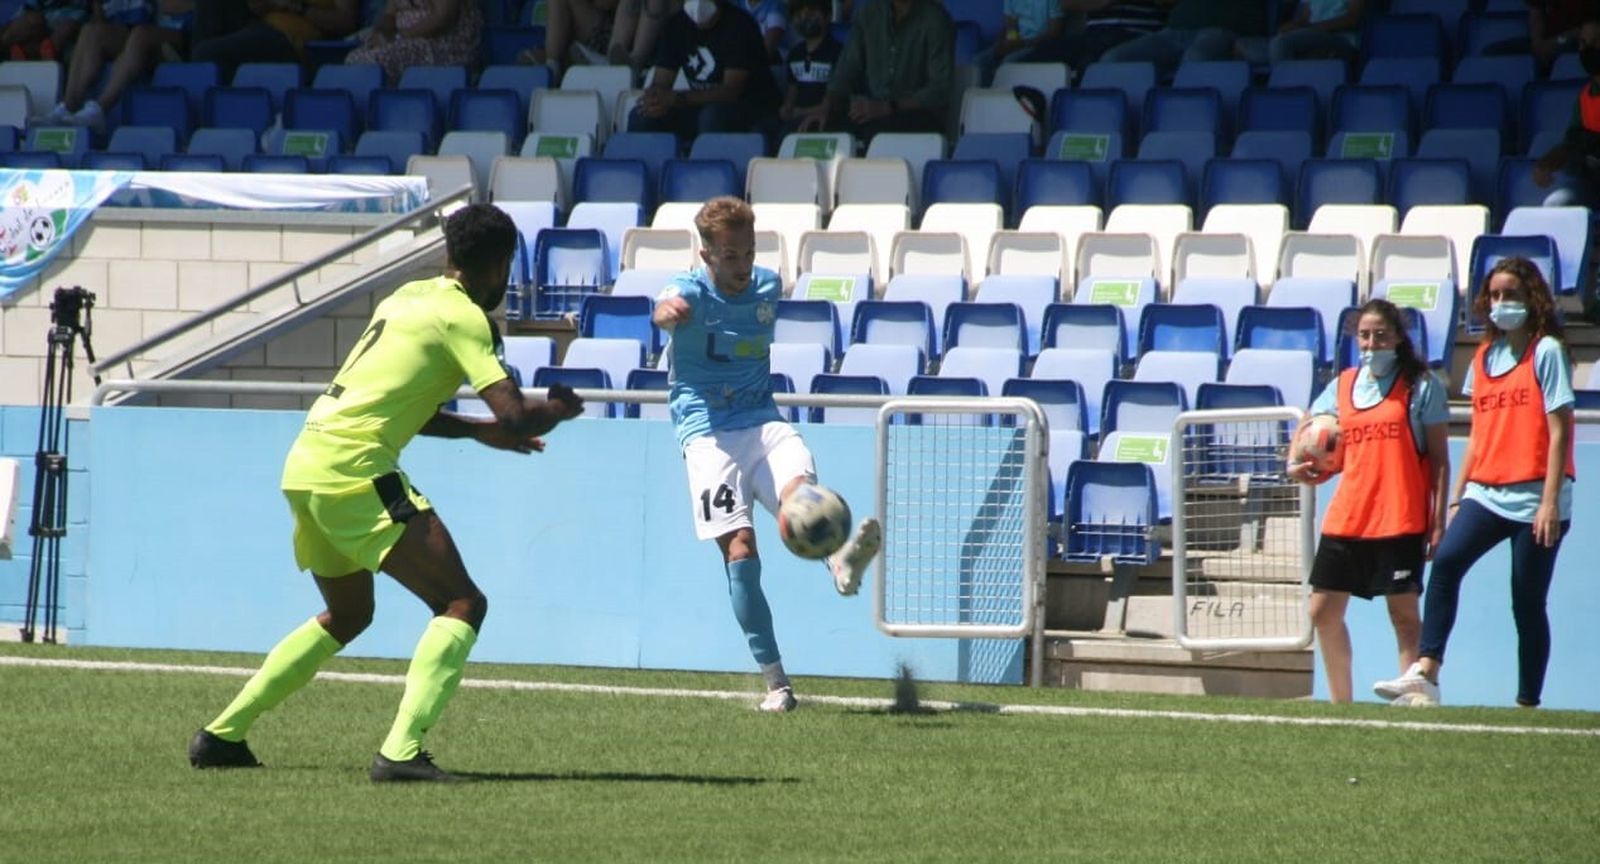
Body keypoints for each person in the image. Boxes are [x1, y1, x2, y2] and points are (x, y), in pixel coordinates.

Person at [187, 203, 587, 782]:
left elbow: (410, 410)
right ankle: (400, 754)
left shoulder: (405, 298)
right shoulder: (465, 318)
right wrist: (557, 409)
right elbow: (515, 415)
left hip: (306, 461)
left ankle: (222, 736)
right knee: (462, 603)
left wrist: (480, 436)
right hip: (354, 466)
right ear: (501, 265)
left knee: (348, 614)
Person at [651, 196, 883, 713]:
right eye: (730, 255)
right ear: (706, 253)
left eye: (748, 253)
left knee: (800, 498)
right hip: (708, 435)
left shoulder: (767, 287)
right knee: (740, 553)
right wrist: (667, 314)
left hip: (763, 423)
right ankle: (778, 683)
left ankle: (840, 560)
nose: (742, 266)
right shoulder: (687, 288)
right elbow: (664, 305)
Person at [1375, 258, 1577, 708]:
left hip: (1536, 497)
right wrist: (1458, 496)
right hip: (1486, 492)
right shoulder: (1485, 357)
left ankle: (1528, 703)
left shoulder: (1545, 352)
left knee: (1527, 602)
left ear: (1533, 300)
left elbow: (1560, 429)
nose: (1503, 304)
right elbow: (1480, 433)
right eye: (1496, 296)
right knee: (1445, 564)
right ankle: (1426, 671)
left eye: (1512, 295)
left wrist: (1549, 503)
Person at [1287, 299, 1450, 705]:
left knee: (1404, 617)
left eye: (1381, 334)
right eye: (1364, 335)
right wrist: (1296, 463)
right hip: (1349, 516)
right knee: (1322, 613)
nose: (1372, 343)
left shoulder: (1420, 386)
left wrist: (1438, 521)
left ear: (1398, 337)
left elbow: (1440, 460)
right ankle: (1341, 706)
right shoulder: (1342, 384)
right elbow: (1309, 425)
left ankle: (1413, 700)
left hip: (1400, 516)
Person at [627, 0, 781, 145]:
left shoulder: (740, 25)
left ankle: (711, 172)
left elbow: (730, 92)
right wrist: (655, 100)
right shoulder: (676, 25)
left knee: (712, 116)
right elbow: (661, 82)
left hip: (752, 108)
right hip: (698, 106)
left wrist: (676, 98)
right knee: (641, 116)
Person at [798, 0, 953, 141]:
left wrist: (889, 107)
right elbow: (846, 70)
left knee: (873, 134)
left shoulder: (935, 19)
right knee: (811, 129)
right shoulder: (868, 14)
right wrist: (825, 106)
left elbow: (939, 90)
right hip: (873, 111)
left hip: (918, 114)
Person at [37, 0, 192, 134]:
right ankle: (68, 107)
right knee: (91, 32)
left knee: (140, 35)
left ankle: (99, 111)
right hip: (135, 29)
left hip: (182, 33)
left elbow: (173, 7)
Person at [189, 0, 361, 82]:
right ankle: (188, 63)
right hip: (255, 23)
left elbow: (345, 22)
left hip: (289, 35)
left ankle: (194, 63)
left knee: (207, 53)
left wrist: (295, 6)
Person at [1100, 0, 1266, 78]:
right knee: (1114, 60)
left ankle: (1186, 123)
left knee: (1195, 58)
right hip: (1174, 30)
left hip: (1223, 29)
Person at [1533, 19, 1600, 208]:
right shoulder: (1586, 97)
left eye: (1596, 42)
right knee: (1557, 204)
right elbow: (1573, 143)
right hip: (1593, 184)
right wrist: (1547, 164)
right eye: (1583, 44)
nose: (1588, 50)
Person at [344, 0, 481, 84]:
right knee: (355, 57)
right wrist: (382, 33)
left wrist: (399, 37)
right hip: (401, 40)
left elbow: (443, 17)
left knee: (373, 61)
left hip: (440, 43)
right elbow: (389, 14)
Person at [1047, 0, 1167, 79]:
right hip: (1092, 34)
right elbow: (1066, 3)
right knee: (1043, 56)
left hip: (1136, 33)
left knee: (1089, 64)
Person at [779, 0, 840, 134]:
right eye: (798, 13)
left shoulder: (837, 52)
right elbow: (792, 92)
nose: (804, 16)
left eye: (812, 11)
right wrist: (787, 109)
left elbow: (836, 101)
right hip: (796, 120)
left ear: (828, 16)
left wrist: (801, 112)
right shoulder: (794, 54)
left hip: (828, 120)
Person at [972, 0, 1066, 85]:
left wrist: (1022, 44)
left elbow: (1054, 32)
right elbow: (1011, 24)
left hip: (1040, 45)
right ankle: (984, 99)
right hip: (1018, 43)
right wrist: (1008, 42)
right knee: (979, 62)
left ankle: (1001, 100)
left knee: (1008, 63)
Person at [1267, 0, 1366, 65]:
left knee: (1281, 44)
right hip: (1312, 36)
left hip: (1341, 39)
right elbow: (1305, 19)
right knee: (1280, 37)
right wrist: (1292, 26)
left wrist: (1315, 28)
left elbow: (1352, 19)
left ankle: (1285, 93)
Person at [1, 0, 88, 61]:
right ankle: (20, 52)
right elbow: (27, 10)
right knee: (30, 22)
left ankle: (49, 54)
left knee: (66, 28)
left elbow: (85, 12)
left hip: (70, 19)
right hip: (42, 21)